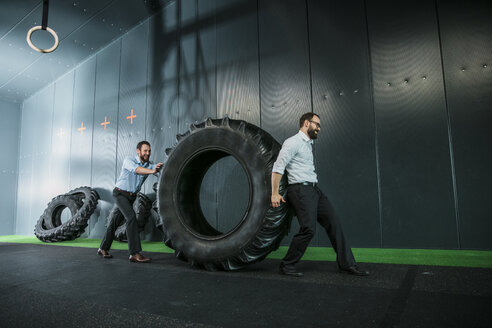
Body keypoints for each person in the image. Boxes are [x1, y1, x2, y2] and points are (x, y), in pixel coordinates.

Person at [271, 112, 369, 277]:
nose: (319, 128)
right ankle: (287, 265)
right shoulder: (292, 142)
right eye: (317, 124)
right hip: (300, 190)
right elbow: (278, 168)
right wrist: (274, 193)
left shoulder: (307, 144)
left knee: (334, 223)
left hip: (314, 189)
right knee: (308, 229)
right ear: (306, 123)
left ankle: (347, 265)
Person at [98, 141, 163, 263]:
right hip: (120, 193)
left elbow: (155, 168)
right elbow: (137, 170)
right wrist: (152, 170)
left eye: (149, 151)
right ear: (138, 151)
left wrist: (159, 167)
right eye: (145, 151)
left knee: (113, 223)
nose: (147, 153)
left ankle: (102, 248)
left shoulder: (148, 165)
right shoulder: (129, 160)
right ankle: (134, 253)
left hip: (131, 197)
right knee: (131, 218)